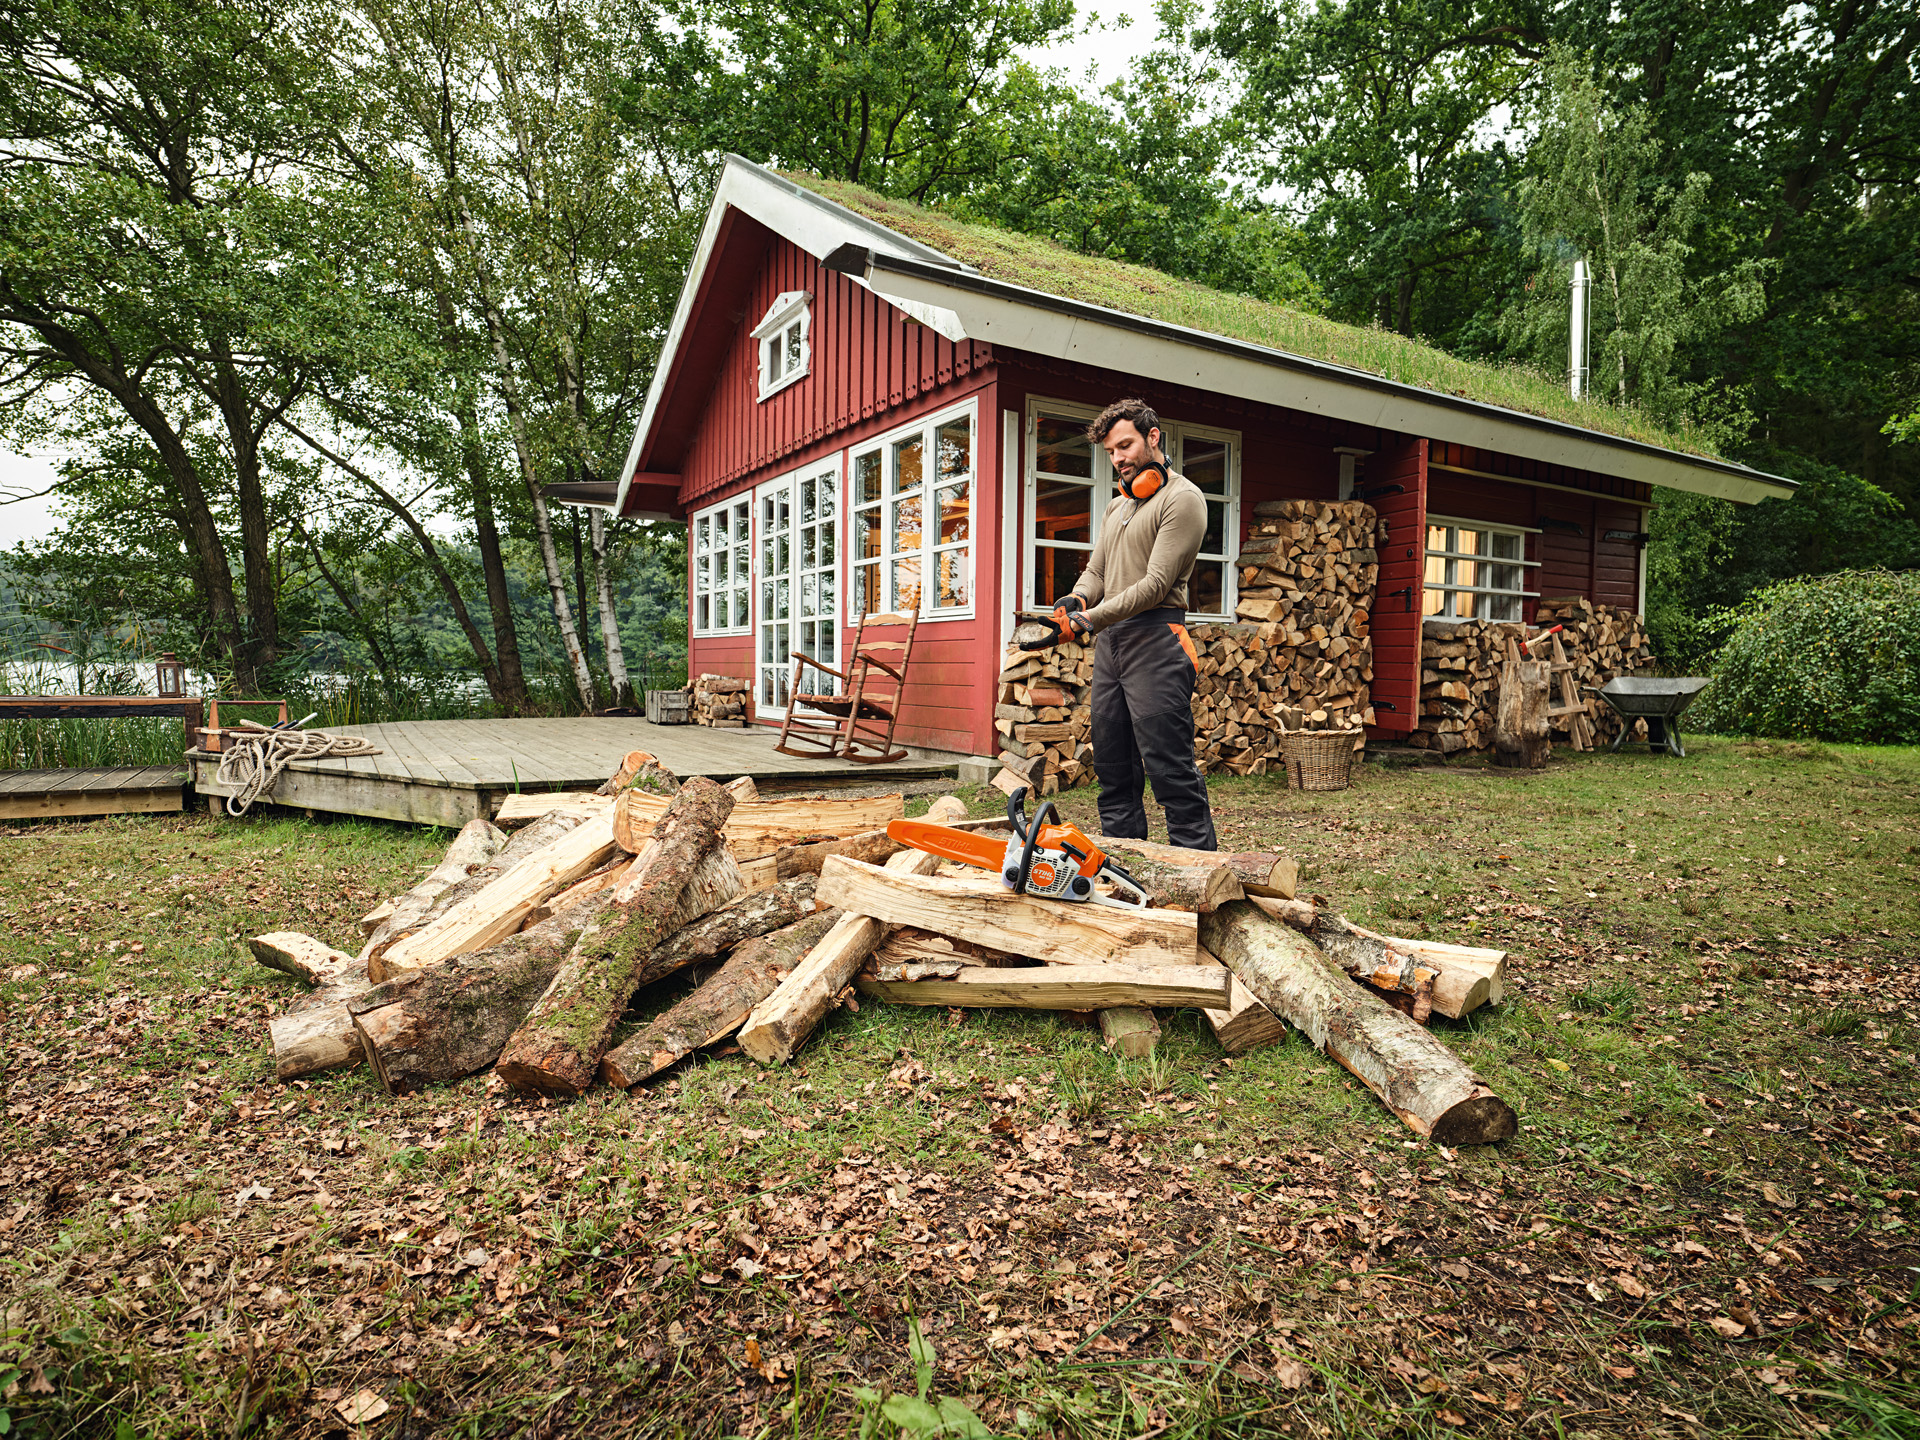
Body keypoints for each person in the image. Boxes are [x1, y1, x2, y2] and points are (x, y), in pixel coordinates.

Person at [1021, 398, 1219, 850]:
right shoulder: (1117, 507)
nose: (1119, 459)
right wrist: (1075, 598)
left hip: (1157, 641)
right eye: (1111, 452)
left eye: (1125, 446)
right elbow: (1098, 571)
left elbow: (1153, 585)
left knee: (1170, 771)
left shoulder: (1183, 499)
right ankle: (1127, 867)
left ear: (1153, 437)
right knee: (1113, 770)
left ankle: (1196, 875)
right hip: (1113, 646)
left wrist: (1086, 620)